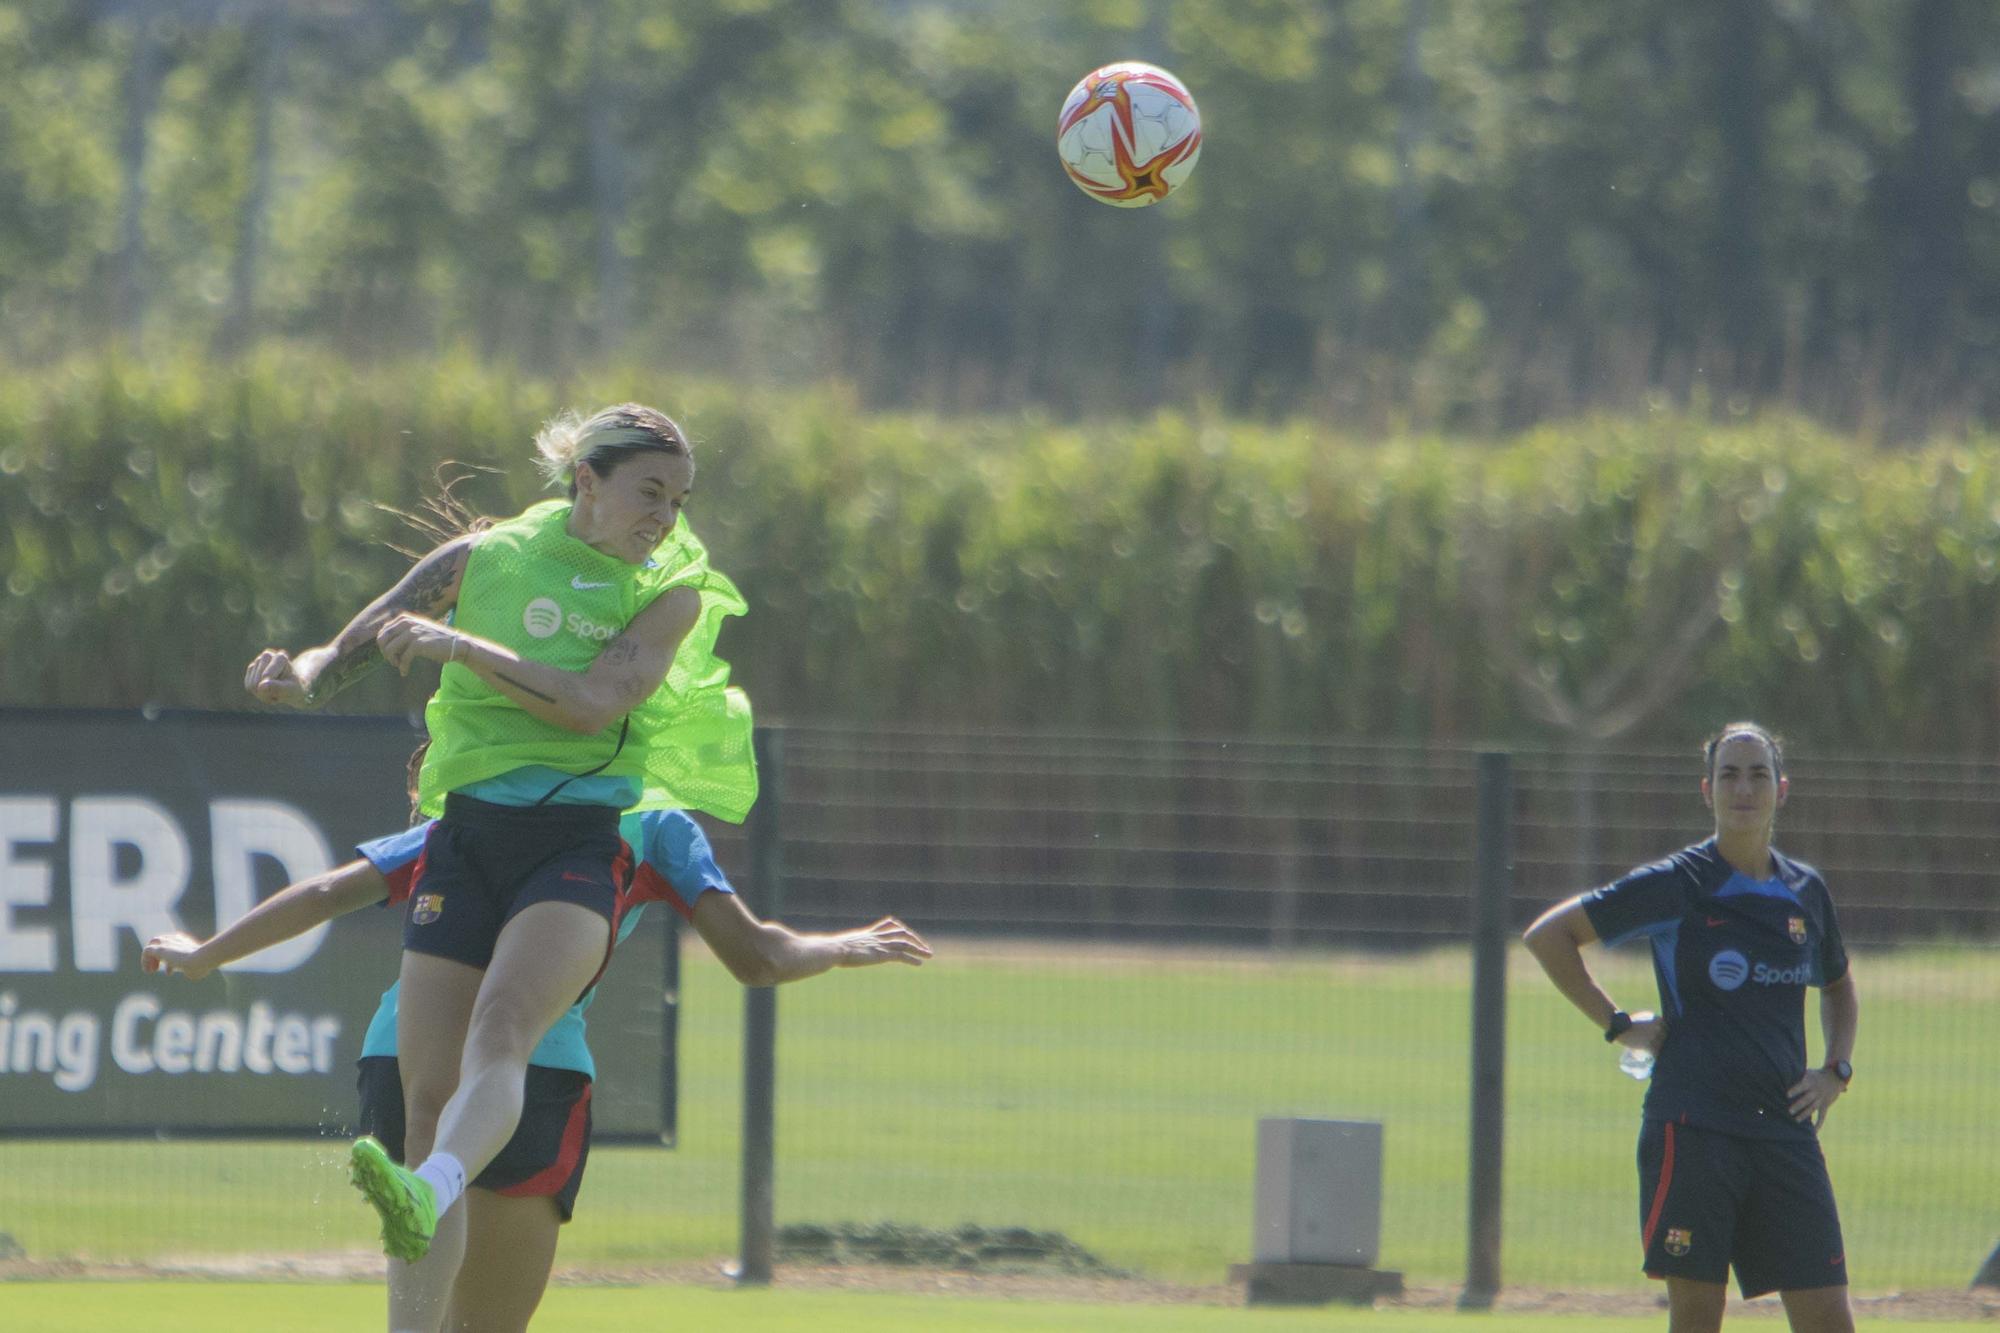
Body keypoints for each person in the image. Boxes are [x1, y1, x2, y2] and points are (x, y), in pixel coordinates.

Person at [242, 403, 766, 1330]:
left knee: (504, 1027)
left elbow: (593, 704)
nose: (665, 516)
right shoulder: (486, 557)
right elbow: (367, 633)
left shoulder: (673, 591)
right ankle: (421, 1233)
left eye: (679, 499)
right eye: (650, 492)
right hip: (467, 834)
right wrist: (307, 672)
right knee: (424, 1102)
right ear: (586, 482)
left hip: (575, 840)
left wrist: (459, 647)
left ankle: (437, 1180)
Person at [145, 801, 931, 1333]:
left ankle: (427, 1187)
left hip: (404, 1058)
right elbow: (756, 956)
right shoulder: (652, 824)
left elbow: (324, 892)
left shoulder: (485, 807)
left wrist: (209, 955)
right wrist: (840, 945)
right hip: (535, 1078)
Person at [1522, 722, 1859, 1333]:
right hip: (1693, 1131)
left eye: (1758, 774)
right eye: (1729, 774)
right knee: (1698, 1319)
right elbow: (1549, 936)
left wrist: (1836, 1068)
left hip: (1784, 1134)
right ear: (1707, 790)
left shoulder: (1805, 891)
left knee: (1829, 1319)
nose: (1744, 788)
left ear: (1782, 789)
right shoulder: (1679, 882)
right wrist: (1617, 1022)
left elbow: (1837, 983)